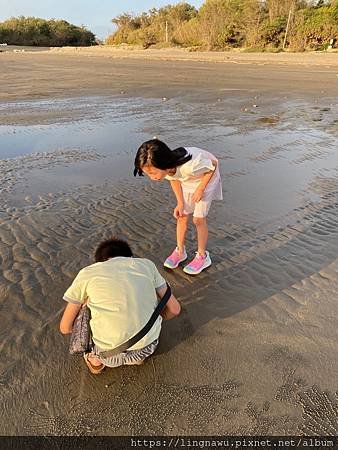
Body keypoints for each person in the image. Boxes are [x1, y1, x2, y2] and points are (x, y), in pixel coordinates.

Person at [60, 238, 181, 374]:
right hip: (147, 348)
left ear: (99, 262)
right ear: (130, 258)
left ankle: (96, 363)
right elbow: (175, 309)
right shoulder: (147, 265)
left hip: (108, 355)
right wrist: (157, 317)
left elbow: (65, 328)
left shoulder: (87, 273)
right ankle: (136, 359)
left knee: (86, 302)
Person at [134, 139, 223, 275]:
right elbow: (174, 178)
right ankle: (180, 251)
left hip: (205, 178)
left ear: (164, 164)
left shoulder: (190, 166)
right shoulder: (167, 168)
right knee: (181, 215)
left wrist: (201, 188)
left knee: (198, 219)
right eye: (148, 174)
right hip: (188, 179)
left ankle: (202, 256)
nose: (152, 178)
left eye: (153, 173)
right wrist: (180, 203)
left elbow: (213, 165)